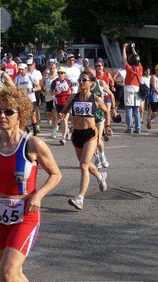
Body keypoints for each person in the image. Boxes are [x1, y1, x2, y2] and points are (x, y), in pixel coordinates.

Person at [0, 87, 61, 282]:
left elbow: (56, 174)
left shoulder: (32, 144)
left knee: (8, 274)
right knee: (14, 273)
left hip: (25, 215)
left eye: (9, 112)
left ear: (20, 115)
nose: (2, 116)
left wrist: (38, 195)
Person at [58, 71, 110, 210]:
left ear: (91, 83)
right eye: (80, 80)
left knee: (83, 165)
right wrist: (61, 115)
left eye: (85, 80)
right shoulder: (72, 98)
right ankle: (100, 177)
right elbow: (64, 110)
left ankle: (80, 198)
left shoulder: (96, 99)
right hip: (76, 134)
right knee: (85, 165)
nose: (81, 82)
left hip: (90, 134)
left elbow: (106, 111)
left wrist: (108, 126)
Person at [15, 63, 41, 136]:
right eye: (19, 69)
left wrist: (32, 89)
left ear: (26, 69)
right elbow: (15, 88)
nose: (20, 71)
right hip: (22, 100)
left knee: (33, 115)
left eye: (22, 69)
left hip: (31, 99)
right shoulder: (17, 78)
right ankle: (27, 129)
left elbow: (39, 87)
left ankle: (35, 132)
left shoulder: (31, 77)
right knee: (23, 115)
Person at [122, 43, 143, 133]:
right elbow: (136, 57)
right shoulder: (140, 68)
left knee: (129, 109)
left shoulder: (129, 68)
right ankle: (138, 128)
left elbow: (124, 59)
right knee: (136, 110)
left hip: (129, 88)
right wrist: (133, 48)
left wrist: (124, 48)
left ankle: (130, 127)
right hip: (137, 89)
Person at [50, 66, 72, 145]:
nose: (60, 75)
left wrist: (71, 99)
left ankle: (63, 138)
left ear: (64, 74)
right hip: (58, 103)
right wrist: (56, 93)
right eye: (59, 73)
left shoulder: (68, 81)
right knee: (62, 121)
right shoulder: (54, 82)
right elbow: (51, 92)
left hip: (66, 103)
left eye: (62, 73)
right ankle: (67, 131)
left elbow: (72, 91)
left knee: (65, 119)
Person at [41, 62, 58, 138]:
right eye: (51, 68)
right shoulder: (46, 76)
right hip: (48, 98)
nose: (52, 70)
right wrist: (42, 92)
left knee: (54, 115)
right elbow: (40, 86)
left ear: (56, 68)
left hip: (55, 98)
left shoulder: (58, 76)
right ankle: (55, 124)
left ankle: (54, 130)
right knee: (50, 115)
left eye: (53, 68)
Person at [27, 59, 43, 134]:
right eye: (28, 65)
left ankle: (37, 125)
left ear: (34, 64)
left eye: (30, 65)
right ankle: (31, 125)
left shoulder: (38, 72)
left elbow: (40, 84)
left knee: (36, 110)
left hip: (36, 92)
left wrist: (41, 91)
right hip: (28, 94)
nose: (29, 66)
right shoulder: (25, 73)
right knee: (28, 111)